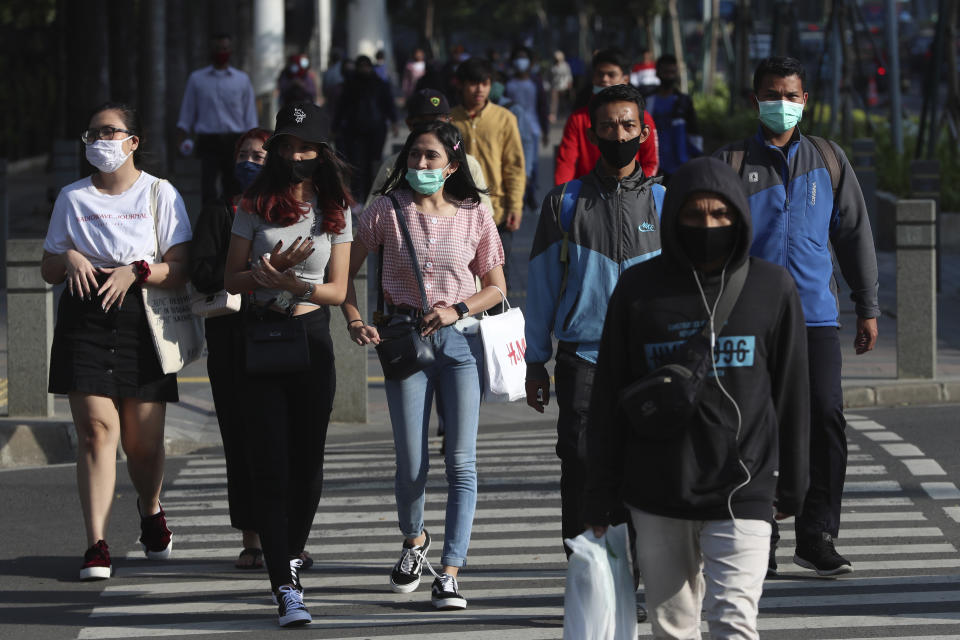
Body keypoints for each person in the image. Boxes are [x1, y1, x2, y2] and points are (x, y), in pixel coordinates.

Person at [583, 156, 810, 639]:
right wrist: (600, 493)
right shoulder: (639, 289)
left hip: (743, 486)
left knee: (733, 622)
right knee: (673, 628)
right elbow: (608, 396)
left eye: (720, 215)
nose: (707, 225)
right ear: (673, 220)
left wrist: (794, 482)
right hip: (658, 489)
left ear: (739, 218)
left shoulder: (773, 288)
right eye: (694, 214)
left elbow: (792, 392)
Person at [714, 56, 879, 577]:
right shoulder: (732, 163)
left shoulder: (828, 160)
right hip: (748, 318)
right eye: (771, 94)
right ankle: (759, 535)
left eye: (790, 95)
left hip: (816, 317)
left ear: (805, 100)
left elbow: (854, 235)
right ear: (753, 99)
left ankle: (817, 533)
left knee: (826, 419)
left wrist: (867, 306)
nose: (780, 104)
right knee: (749, 428)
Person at [341, 121, 506, 611]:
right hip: (404, 342)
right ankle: (415, 542)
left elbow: (498, 286)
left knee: (461, 462)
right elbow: (344, 274)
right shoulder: (386, 210)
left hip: (459, 345)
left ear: (452, 165)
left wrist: (458, 310)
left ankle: (451, 572)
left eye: (431, 158)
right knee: (411, 460)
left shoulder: (475, 215)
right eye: (414, 156)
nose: (420, 165)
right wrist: (354, 319)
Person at [42, 102, 193, 581]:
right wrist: (68, 257)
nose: (100, 141)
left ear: (134, 141)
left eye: (111, 132)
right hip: (84, 319)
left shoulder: (159, 194)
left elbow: (180, 268)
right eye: (92, 133)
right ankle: (96, 544)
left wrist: (138, 270)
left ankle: (151, 510)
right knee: (96, 433)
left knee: (142, 445)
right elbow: (46, 268)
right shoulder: (72, 197)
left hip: (142, 320)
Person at [223, 102, 353, 627]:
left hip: (311, 337)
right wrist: (267, 272)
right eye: (287, 145)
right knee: (270, 465)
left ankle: (291, 554)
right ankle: (285, 585)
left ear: (322, 153)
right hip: (261, 336)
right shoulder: (253, 203)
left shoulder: (336, 207)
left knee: (308, 466)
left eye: (306, 147)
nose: (295, 155)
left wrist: (294, 281)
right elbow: (231, 280)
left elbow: (339, 289)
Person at [524, 84, 664, 552]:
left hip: (649, 359)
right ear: (592, 131)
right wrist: (535, 360)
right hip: (582, 357)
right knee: (581, 461)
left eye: (627, 125)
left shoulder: (666, 203)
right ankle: (586, 568)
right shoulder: (563, 202)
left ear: (643, 132)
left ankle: (631, 574)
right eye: (607, 126)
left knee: (642, 466)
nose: (618, 133)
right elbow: (542, 285)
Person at [190, 127, 316, 571]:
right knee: (242, 440)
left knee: (291, 441)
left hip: (282, 330)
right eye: (243, 155)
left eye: (260, 156)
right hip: (231, 338)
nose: (250, 162)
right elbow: (204, 274)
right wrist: (260, 268)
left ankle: (290, 539)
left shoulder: (298, 212)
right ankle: (252, 537)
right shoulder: (221, 211)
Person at [450, 57, 524, 286]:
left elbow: (514, 166)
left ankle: (497, 320)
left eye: (485, 82)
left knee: (497, 276)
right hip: (456, 210)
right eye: (473, 83)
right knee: (460, 276)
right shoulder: (449, 120)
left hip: (497, 211)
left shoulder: (504, 119)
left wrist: (516, 206)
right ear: (460, 84)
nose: (480, 89)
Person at [367, 89, 493, 216]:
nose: (430, 132)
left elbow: (484, 217)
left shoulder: (469, 165)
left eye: (438, 124)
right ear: (409, 124)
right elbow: (373, 217)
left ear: (454, 166)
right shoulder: (393, 166)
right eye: (422, 125)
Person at [555, 47, 659, 184]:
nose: (604, 79)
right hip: (587, 198)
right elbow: (566, 163)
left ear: (625, 79)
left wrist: (635, 191)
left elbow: (651, 162)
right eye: (600, 74)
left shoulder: (643, 118)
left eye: (611, 75)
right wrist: (564, 197)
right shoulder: (578, 119)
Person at [176, 33, 258, 204]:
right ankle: (209, 224)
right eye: (218, 48)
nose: (221, 52)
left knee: (234, 187)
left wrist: (253, 141)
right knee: (208, 187)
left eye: (225, 48)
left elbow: (250, 115)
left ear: (231, 50)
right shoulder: (197, 79)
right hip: (208, 141)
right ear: (211, 51)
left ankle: (232, 225)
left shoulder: (241, 80)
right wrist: (182, 135)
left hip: (235, 141)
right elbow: (188, 111)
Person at [332, 54, 398, 203]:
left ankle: (371, 195)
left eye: (366, 66)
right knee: (356, 164)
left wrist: (394, 122)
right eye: (360, 66)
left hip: (376, 130)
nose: (363, 69)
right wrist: (335, 127)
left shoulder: (380, 84)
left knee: (372, 164)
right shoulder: (350, 85)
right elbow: (341, 108)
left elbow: (389, 104)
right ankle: (357, 197)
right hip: (355, 131)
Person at [646, 54, 702, 179]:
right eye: (666, 72)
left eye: (672, 72)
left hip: (680, 165)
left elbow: (694, 132)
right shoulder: (646, 100)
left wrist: (696, 157)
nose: (669, 76)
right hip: (653, 165)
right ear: (657, 73)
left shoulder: (684, 101)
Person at [548, 50, 573, 123]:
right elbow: (549, 76)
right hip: (554, 86)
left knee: (564, 102)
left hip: (564, 86)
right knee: (554, 102)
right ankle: (553, 115)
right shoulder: (552, 66)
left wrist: (569, 84)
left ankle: (565, 115)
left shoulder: (565, 65)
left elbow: (569, 75)